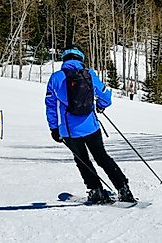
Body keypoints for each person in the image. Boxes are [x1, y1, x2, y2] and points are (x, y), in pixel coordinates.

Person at [45, 46, 136, 204]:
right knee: (102, 157)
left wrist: (54, 128)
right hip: (91, 126)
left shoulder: (56, 78)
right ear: (81, 58)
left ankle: (96, 191)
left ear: (64, 59)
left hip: (69, 131)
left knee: (82, 161)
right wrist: (100, 105)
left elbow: (50, 106)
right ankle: (123, 189)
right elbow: (106, 97)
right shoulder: (90, 74)